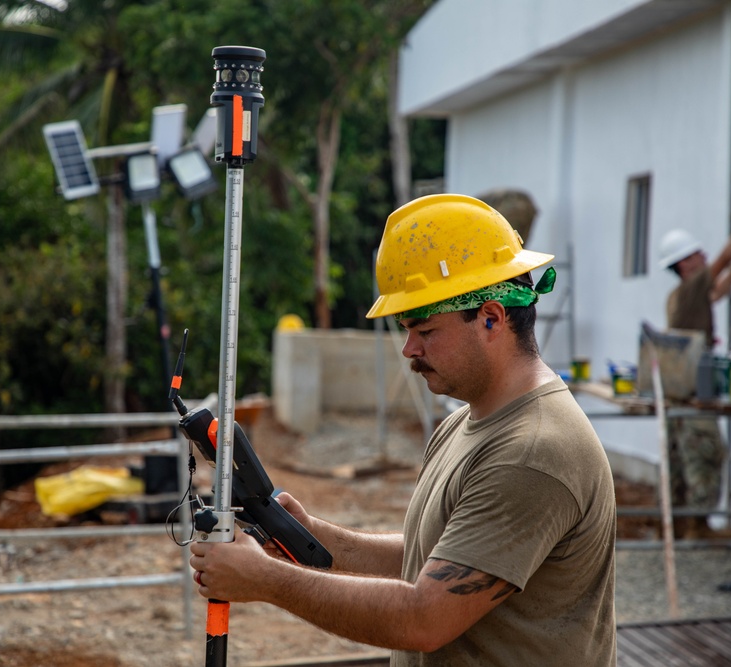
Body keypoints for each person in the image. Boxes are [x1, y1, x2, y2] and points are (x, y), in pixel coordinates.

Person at [190, 194, 616, 665]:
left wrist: (265, 580)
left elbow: (423, 619)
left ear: (491, 318)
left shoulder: (533, 452)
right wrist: (315, 534)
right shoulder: (464, 423)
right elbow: (435, 560)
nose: (409, 348)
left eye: (425, 330)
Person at [657, 185, 731, 538]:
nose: (704, 256)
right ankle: (697, 526)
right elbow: (726, 253)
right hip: (693, 389)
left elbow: (718, 291)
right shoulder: (690, 289)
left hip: (681, 388)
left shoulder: (685, 295)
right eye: (696, 254)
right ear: (684, 264)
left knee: (681, 458)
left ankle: (681, 528)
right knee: (706, 453)